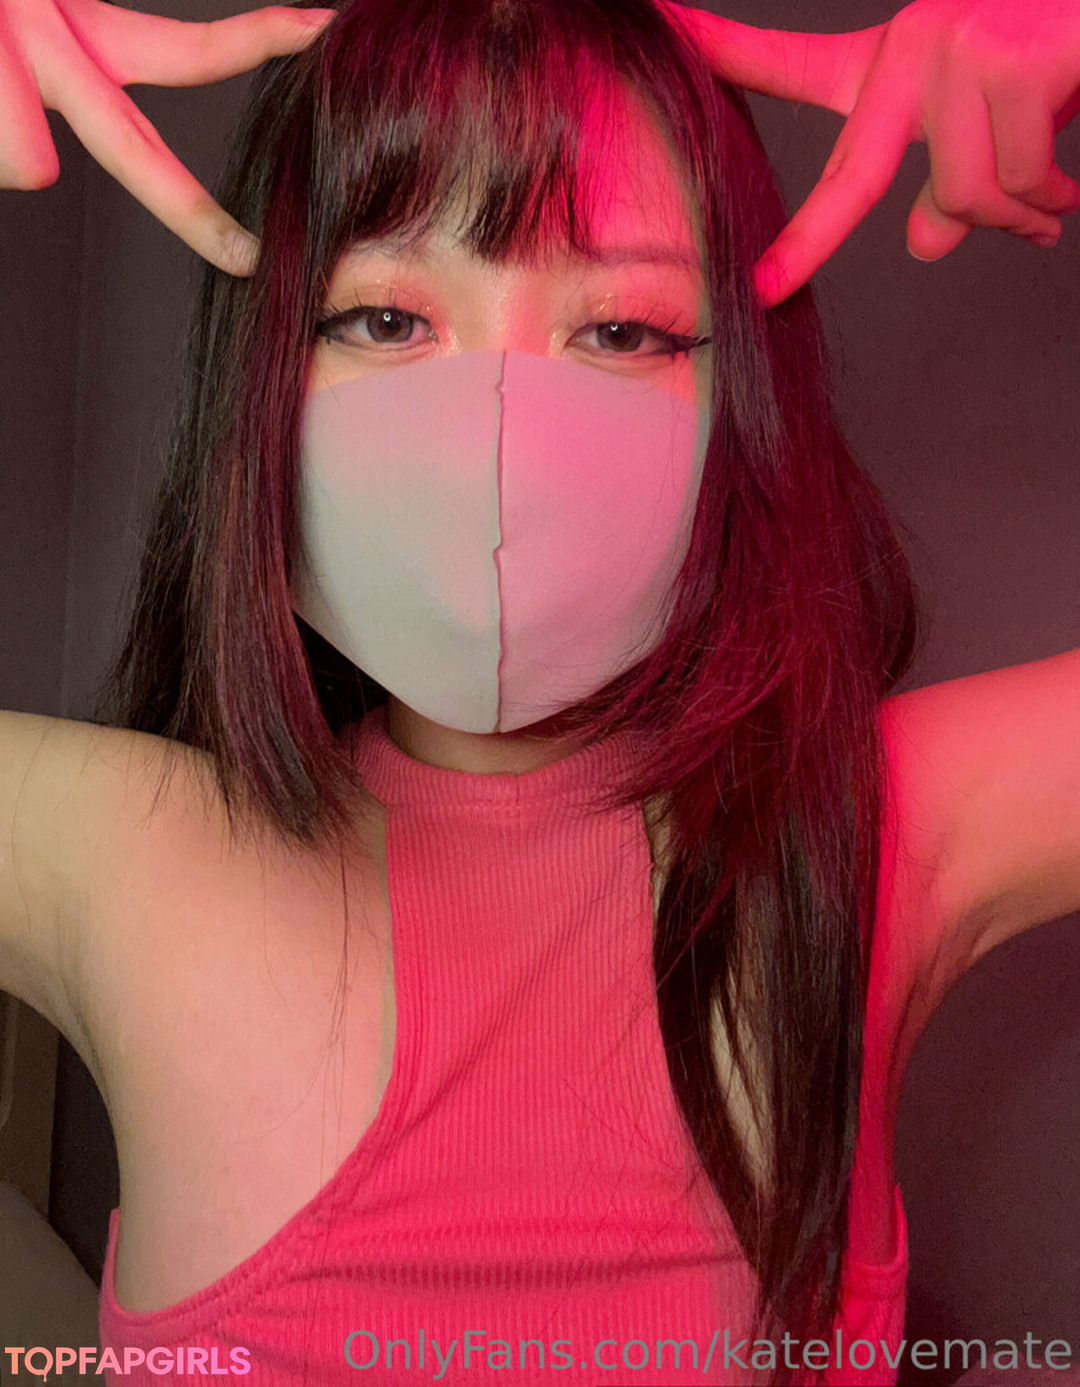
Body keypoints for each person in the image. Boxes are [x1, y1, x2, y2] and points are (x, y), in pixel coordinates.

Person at [0, 0, 1077, 1384]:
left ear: (744, 400)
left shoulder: (871, 837)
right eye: (387, 316)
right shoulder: (120, 852)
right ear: (260, 378)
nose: (500, 445)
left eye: (623, 329)